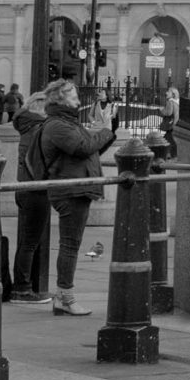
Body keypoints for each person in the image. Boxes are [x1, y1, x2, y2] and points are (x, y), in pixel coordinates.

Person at [23, 79, 117, 316]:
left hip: (76, 187)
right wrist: (105, 128)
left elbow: (89, 149)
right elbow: (84, 147)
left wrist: (108, 131)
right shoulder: (58, 125)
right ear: (61, 98)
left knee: (71, 245)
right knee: (70, 245)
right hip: (70, 190)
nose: (78, 99)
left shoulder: (66, 122)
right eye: (74, 96)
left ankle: (64, 297)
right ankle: (65, 298)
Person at [6, 85, 55, 304]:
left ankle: (24, 287)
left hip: (24, 187)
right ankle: (22, 289)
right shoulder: (39, 130)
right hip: (35, 189)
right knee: (29, 243)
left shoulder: (27, 127)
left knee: (28, 241)